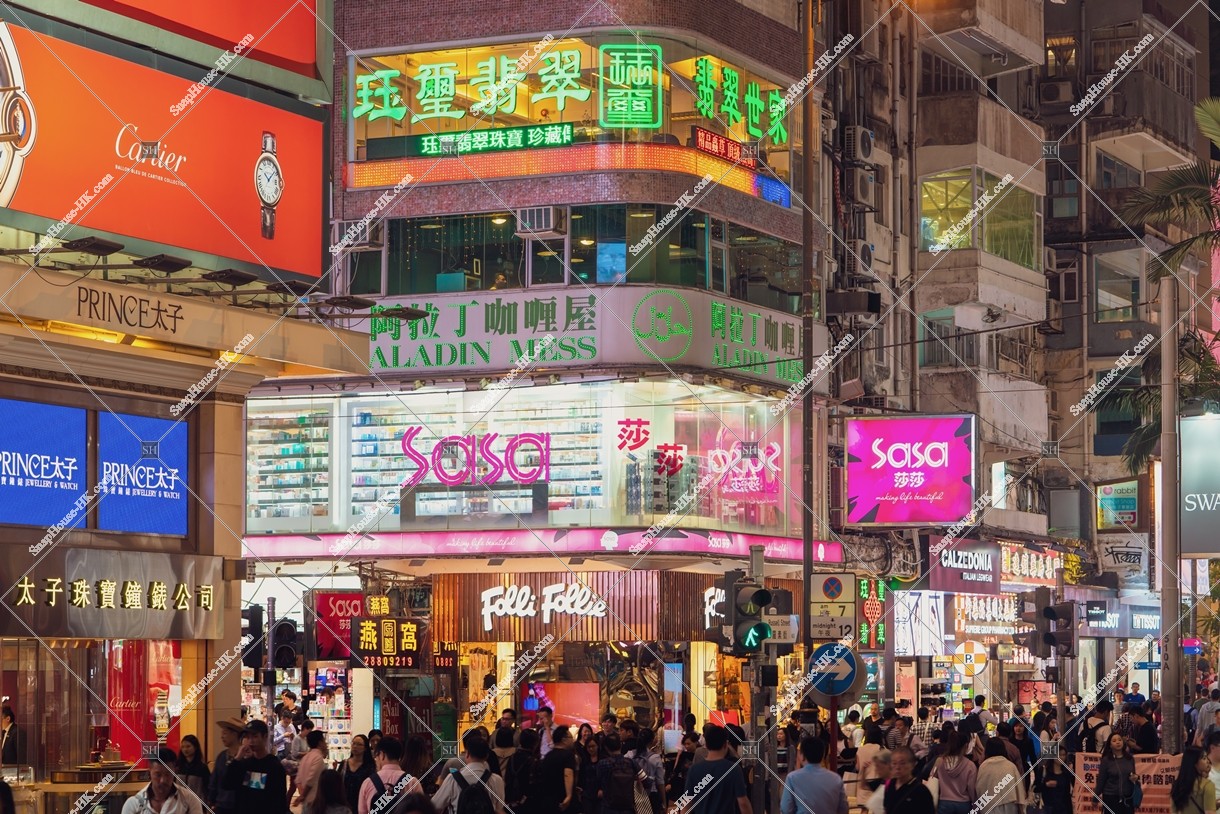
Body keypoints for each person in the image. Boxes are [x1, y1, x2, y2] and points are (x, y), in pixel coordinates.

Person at [222, 720, 290, 814]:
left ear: (265, 737)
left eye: (255, 736)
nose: (251, 741)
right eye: (248, 737)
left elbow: (279, 801)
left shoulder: (274, 766)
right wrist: (237, 758)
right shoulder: (244, 764)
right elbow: (227, 784)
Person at [683, 726, 751, 814]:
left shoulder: (694, 769)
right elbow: (743, 803)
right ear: (725, 744)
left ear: (706, 745)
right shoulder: (733, 769)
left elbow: (687, 804)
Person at [431, 737, 504, 814]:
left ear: (467, 754)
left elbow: (435, 806)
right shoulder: (496, 780)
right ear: (487, 756)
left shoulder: (452, 779)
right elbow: (499, 808)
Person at [124, 748, 203, 814]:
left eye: (168, 774)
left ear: (174, 772)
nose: (163, 780)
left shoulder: (190, 801)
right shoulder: (134, 804)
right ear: (149, 773)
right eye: (158, 775)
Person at [781, 737, 848, 814]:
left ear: (802, 756)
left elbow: (786, 808)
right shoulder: (836, 778)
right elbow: (843, 808)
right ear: (822, 755)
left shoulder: (792, 778)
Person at [359, 737, 421, 814]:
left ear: (382, 755)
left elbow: (362, 812)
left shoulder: (368, 783)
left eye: (376, 756)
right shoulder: (412, 781)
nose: (376, 760)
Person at [929, 729, 976, 814]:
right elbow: (972, 789)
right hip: (963, 804)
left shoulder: (939, 761)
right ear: (965, 746)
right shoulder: (970, 765)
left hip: (944, 802)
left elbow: (932, 777)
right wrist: (975, 805)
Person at [534, 725, 578, 813]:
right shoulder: (568, 755)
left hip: (549, 799)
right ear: (564, 739)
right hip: (562, 798)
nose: (572, 740)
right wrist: (569, 796)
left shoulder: (548, 756)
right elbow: (567, 774)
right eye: (570, 737)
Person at [975, 739, 1025, 814]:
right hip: (1009, 804)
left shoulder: (983, 766)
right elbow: (1019, 788)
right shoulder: (1011, 766)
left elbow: (980, 788)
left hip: (990, 805)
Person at [210, 717, 246, 814]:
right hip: (220, 805)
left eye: (225, 733)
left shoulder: (245, 757)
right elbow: (214, 781)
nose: (222, 737)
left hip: (239, 806)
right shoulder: (222, 756)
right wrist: (211, 801)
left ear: (235, 734)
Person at [1097, 732, 1140, 814]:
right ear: (1110, 745)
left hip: (1127, 798)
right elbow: (1101, 780)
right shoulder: (1106, 760)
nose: (1117, 742)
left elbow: (1133, 774)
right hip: (1111, 798)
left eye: (1119, 740)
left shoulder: (1130, 758)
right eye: (1114, 741)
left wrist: (1135, 777)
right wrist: (1096, 797)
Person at [883, 747, 934, 814]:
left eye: (902, 763)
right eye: (894, 763)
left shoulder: (921, 790)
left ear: (913, 764)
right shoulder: (891, 784)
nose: (897, 767)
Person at [1171, 747, 1217, 814]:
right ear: (1195, 763)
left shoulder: (1177, 785)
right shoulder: (1207, 785)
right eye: (1204, 758)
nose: (1207, 761)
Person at [504, 729, 538, 813]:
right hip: (528, 801)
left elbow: (507, 777)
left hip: (511, 798)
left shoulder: (512, 757)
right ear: (535, 743)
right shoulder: (534, 760)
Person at [340, 734, 375, 814]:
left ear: (365, 748)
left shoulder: (370, 766)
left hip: (363, 804)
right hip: (345, 805)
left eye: (359, 744)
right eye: (353, 743)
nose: (355, 746)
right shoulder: (345, 764)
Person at [635, 728, 666, 814]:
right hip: (651, 795)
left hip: (634, 794)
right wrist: (664, 802)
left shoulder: (630, 754)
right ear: (652, 741)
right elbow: (660, 782)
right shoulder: (655, 757)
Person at [296, 730, 329, 810]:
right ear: (320, 743)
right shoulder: (318, 758)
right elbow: (311, 780)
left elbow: (298, 780)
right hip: (315, 801)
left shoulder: (305, 757)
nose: (326, 743)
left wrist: (302, 795)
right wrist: (303, 796)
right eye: (324, 741)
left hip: (306, 802)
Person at [176, 735, 211, 800]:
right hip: (180, 802)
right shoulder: (178, 766)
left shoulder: (202, 768)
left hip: (196, 802)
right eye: (183, 747)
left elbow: (208, 787)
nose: (185, 749)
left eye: (188, 746)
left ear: (195, 747)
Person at [667, 733, 697, 803]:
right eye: (685, 744)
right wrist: (670, 783)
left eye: (688, 744)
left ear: (695, 743)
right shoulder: (684, 755)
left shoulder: (700, 755)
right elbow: (677, 770)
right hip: (684, 785)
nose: (686, 746)